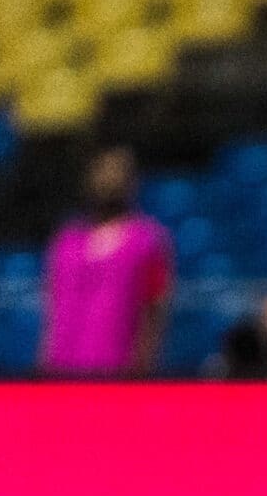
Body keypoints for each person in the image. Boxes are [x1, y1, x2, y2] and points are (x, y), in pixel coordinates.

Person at [40, 146, 173, 378]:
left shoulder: (147, 241)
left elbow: (155, 311)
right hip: (62, 369)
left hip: (118, 373)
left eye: (117, 172)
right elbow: (52, 310)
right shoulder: (67, 241)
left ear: (132, 182)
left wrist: (143, 368)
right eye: (103, 171)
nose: (109, 179)